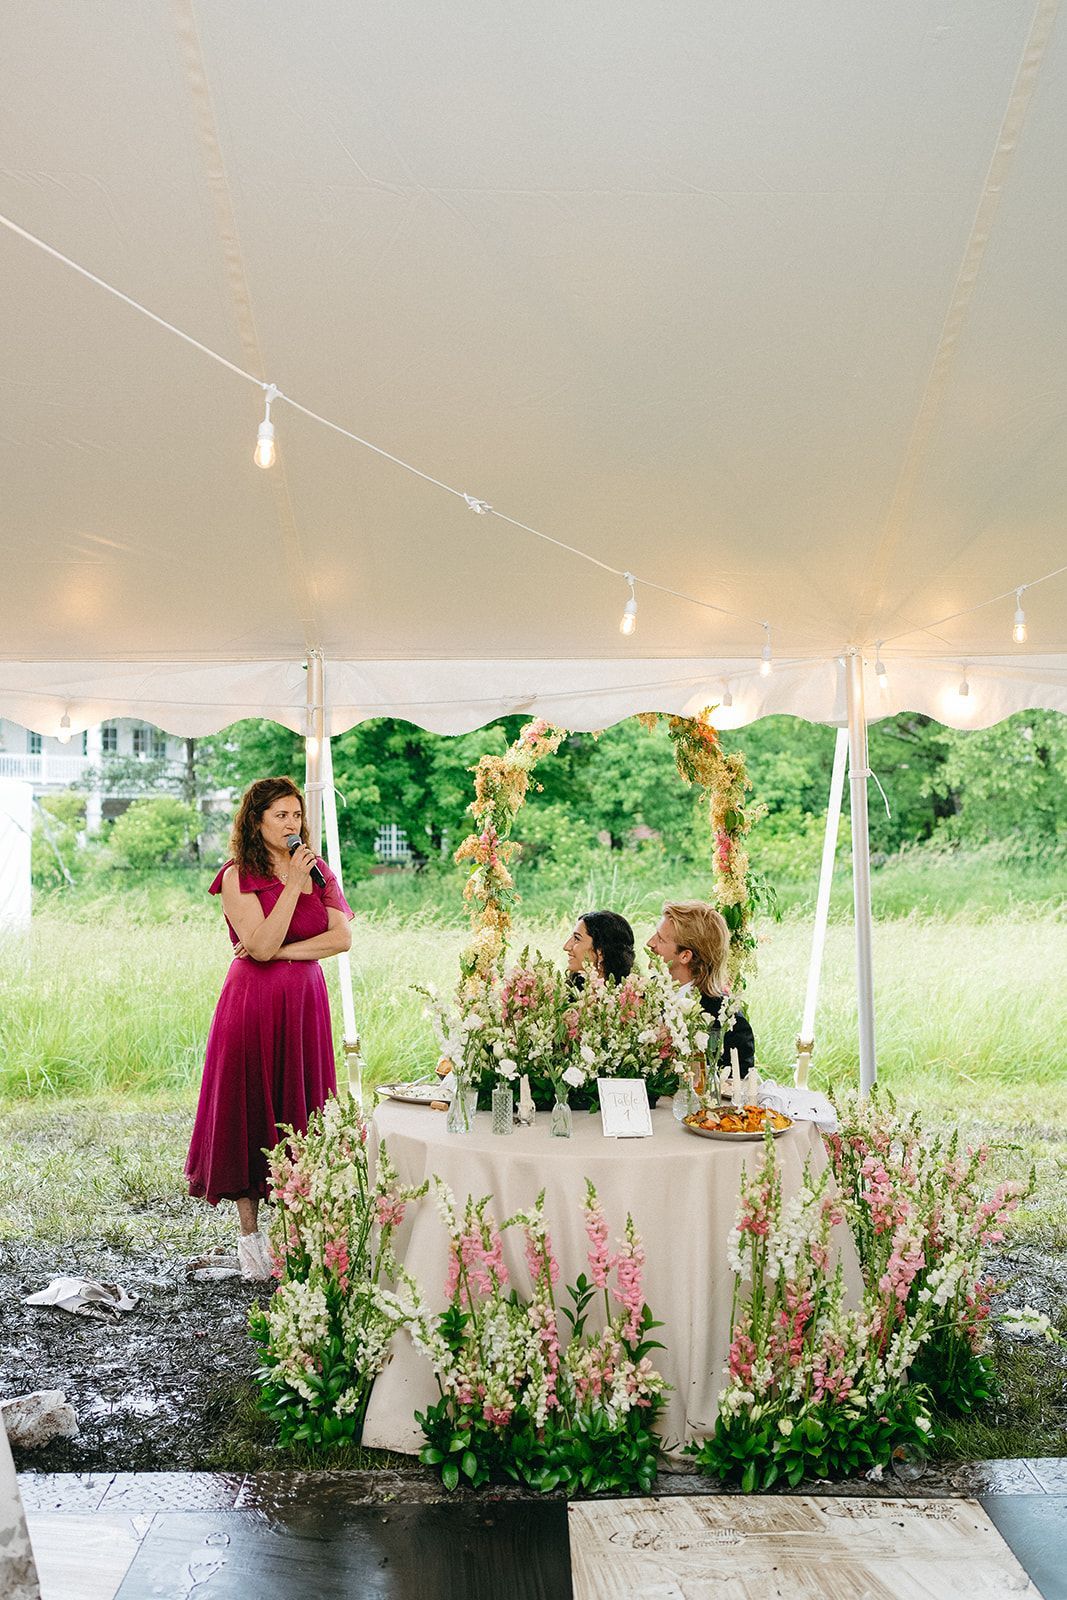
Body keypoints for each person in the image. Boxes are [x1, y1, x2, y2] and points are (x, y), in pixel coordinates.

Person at [185, 776, 353, 1279]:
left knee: (302, 1107)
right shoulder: (238, 875)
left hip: (304, 1002)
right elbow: (256, 945)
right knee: (252, 1104)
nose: (291, 824)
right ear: (256, 822)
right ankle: (250, 1237)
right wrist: (291, 893)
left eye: (296, 815)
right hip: (252, 1004)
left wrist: (280, 951)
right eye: (280, 815)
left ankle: (301, 1226)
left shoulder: (318, 870)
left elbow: (341, 938)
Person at [646, 900, 755, 1080]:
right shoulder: (641, 994)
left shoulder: (730, 1022)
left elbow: (735, 1093)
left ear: (685, 956)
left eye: (660, 938)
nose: (650, 943)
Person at [564, 909, 635, 984]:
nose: (566, 947)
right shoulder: (568, 991)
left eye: (577, 938)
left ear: (601, 951)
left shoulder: (631, 992)